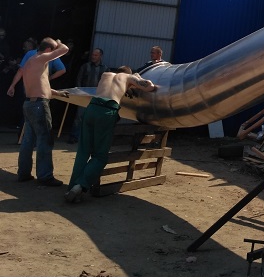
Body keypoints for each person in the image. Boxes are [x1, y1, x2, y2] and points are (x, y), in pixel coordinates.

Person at [64, 66, 156, 203]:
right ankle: (80, 185)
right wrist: (137, 78)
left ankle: (71, 188)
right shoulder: (129, 77)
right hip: (107, 112)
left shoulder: (105, 75)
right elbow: (150, 87)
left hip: (92, 108)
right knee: (100, 156)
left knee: (83, 151)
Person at [8, 37, 69, 186]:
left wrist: (58, 93)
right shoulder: (41, 58)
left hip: (29, 104)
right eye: (53, 51)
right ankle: (45, 176)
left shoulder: (31, 61)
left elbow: (41, 85)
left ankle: (23, 173)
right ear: (48, 50)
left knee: (28, 141)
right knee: (44, 140)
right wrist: (59, 43)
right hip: (39, 105)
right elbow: (65, 49)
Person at [66, 47, 108, 143]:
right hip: (83, 96)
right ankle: (74, 136)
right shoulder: (85, 66)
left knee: (93, 118)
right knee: (79, 117)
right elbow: (79, 79)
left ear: (100, 56)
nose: (93, 57)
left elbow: (106, 84)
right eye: (93, 55)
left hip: (96, 97)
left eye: (96, 55)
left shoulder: (105, 69)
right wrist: (79, 92)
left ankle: (88, 138)